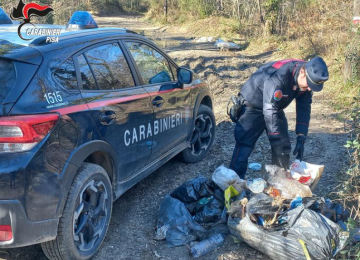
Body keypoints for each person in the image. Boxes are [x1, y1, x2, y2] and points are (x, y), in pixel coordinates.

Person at [229, 57, 329, 179]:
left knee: (282, 147)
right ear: (302, 73)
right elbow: (269, 110)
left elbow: (304, 107)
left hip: (274, 107)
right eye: (309, 84)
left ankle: (279, 184)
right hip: (253, 105)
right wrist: (275, 138)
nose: (309, 88)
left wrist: (301, 136)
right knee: (244, 147)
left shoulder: (305, 81)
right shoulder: (280, 77)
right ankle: (233, 187)